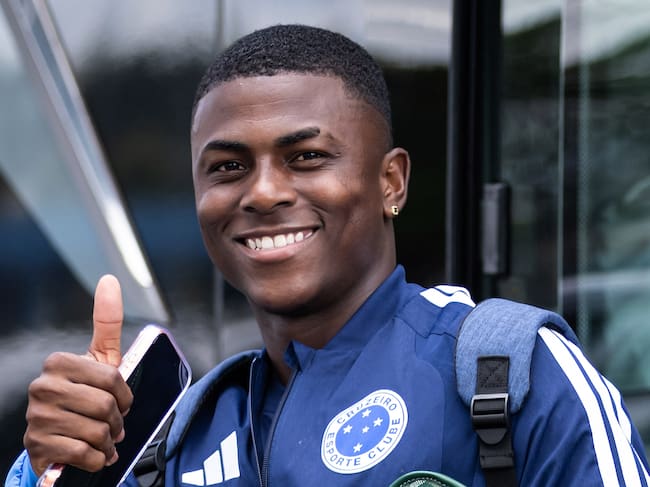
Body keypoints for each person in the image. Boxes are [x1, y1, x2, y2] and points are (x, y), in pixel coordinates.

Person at [5, 24, 650, 487]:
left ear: (391, 182)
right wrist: (47, 471)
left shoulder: (512, 372)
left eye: (306, 157)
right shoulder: (173, 440)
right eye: (228, 166)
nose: (262, 192)